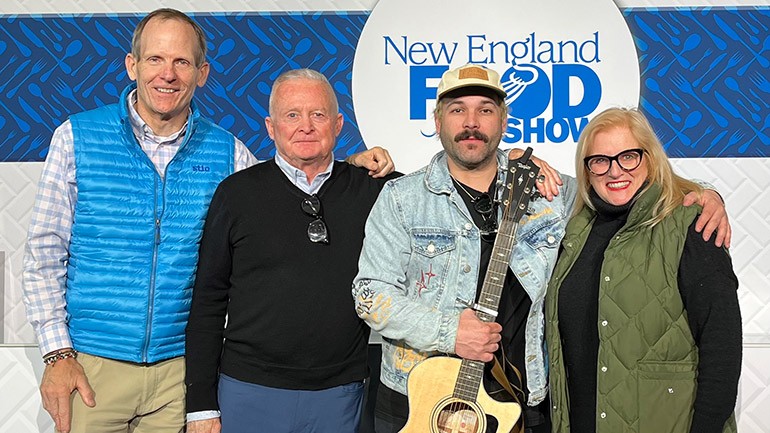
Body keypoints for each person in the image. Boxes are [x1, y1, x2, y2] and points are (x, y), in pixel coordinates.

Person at [21, 10, 392, 433]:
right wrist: (57, 355)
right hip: (91, 370)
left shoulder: (228, 153)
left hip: (179, 376)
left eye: (182, 62)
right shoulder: (76, 138)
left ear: (202, 73)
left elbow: (292, 187)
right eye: (155, 59)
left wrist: (350, 170)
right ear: (132, 65)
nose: (168, 74)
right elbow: (44, 256)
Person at [352, 64, 731, 433]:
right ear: (437, 122)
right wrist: (450, 331)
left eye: (485, 110)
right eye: (457, 110)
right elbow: (369, 294)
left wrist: (703, 195)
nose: (471, 122)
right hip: (421, 400)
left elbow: (624, 185)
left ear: (504, 122)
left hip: (523, 402)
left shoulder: (553, 193)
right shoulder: (402, 199)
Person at [184, 68, 400, 433]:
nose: (306, 126)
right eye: (292, 115)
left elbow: (455, 178)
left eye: (318, 115)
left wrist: (516, 164)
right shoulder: (236, 194)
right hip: (247, 391)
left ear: (338, 124)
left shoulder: (377, 190)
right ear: (271, 127)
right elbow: (207, 302)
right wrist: (201, 406)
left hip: (341, 394)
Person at [545, 107, 741, 433]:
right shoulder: (575, 230)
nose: (614, 171)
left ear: (649, 158)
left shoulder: (689, 223)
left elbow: (722, 346)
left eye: (628, 156)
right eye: (600, 160)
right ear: (587, 170)